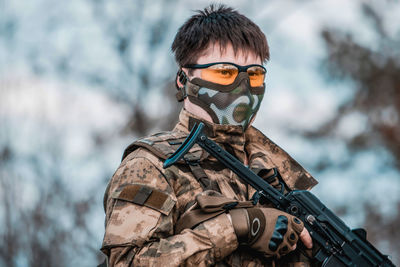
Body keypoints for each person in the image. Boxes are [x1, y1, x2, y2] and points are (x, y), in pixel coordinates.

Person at [101, 4, 318, 266]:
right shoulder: (153, 165)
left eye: (255, 75)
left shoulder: (276, 174)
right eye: (224, 72)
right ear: (183, 79)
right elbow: (128, 262)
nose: (243, 86)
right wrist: (238, 227)